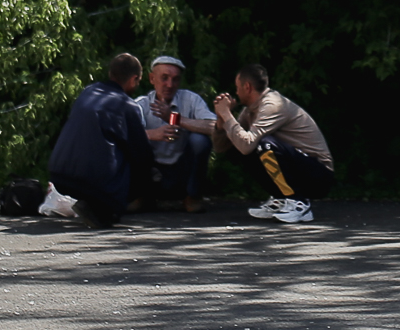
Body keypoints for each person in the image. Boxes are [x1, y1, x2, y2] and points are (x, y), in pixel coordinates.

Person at [213, 63, 333, 223]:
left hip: (319, 175)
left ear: (247, 87)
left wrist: (227, 114)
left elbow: (246, 144)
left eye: (237, 87)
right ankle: (280, 198)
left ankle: (299, 203)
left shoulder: (272, 105)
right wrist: (221, 121)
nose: (236, 92)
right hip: (300, 169)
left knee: (265, 144)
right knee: (239, 145)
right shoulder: (250, 110)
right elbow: (222, 147)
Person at [48, 53, 155, 228]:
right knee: (137, 163)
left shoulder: (88, 92)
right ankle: (104, 208)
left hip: (59, 174)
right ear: (134, 78)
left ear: (111, 73)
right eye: (138, 81)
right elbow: (142, 154)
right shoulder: (127, 106)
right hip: (92, 180)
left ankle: (91, 203)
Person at [132, 55, 216, 212]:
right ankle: (141, 196)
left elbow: (214, 127)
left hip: (181, 170)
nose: (170, 84)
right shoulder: (140, 105)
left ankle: (192, 196)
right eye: (164, 78)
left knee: (200, 140)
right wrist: (151, 134)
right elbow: (121, 136)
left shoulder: (191, 99)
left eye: (175, 79)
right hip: (151, 170)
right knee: (134, 142)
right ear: (152, 78)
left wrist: (174, 118)